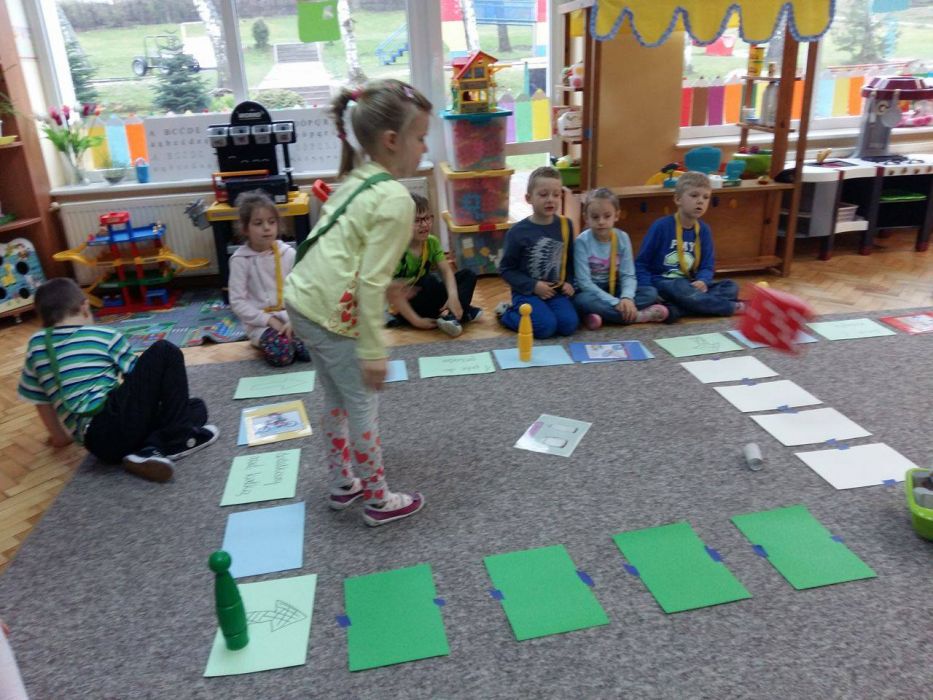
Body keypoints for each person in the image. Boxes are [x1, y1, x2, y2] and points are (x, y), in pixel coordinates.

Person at [284, 79, 431, 527]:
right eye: (420, 137)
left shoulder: (357, 179)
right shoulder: (395, 198)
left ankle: (342, 482)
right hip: (332, 313)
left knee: (335, 397)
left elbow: (342, 251)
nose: (425, 148)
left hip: (302, 300)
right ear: (391, 140)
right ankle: (378, 499)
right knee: (362, 404)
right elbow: (371, 280)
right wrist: (372, 349)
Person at [17, 278, 218, 483]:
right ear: (85, 307)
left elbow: (40, 399)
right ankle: (179, 439)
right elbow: (144, 382)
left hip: (99, 446)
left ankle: (148, 450)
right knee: (165, 351)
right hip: (112, 422)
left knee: (195, 407)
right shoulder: (104, 335)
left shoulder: (36, 345)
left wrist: (60, 437)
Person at [634, 171, 743, 320]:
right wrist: (648, 289)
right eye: (694, 195)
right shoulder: (661, 226)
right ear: (678, 199)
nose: (700, 201)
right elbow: (641, 263)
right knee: (679, 287)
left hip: (689, 284)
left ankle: (674, 310)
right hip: (663, 283)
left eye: (705, 197)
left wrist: (702, 281)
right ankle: (729, 307)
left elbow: (707, 265)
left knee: (730, 287)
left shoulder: (704, 230)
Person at [229, 190, 311, 367]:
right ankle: (282, 343)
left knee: (310, 351)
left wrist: (293, 320)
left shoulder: (288, 253)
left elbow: (302, 291)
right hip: (260, 324)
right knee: (282, 356)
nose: (266, 228)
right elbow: (237, 302)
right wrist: (269, 320)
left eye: (271, 222)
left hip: (291, 318)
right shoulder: (240, 260)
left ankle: (292, 340)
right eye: (258, 223)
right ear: (245, 229)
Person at [496, 165, 579, 338]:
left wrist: (569, 282)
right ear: (529, 198)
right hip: (526, 292)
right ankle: (506, 313)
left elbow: (571, 260)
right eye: (543, 194)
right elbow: (506, 269)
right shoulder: (517, 232)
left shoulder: (566, 225)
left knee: (569, 325)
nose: (550, 200)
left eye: (556, 195)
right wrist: (533, 286)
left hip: (555, 291)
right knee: (545, 327)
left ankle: (543, 312)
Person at [385, 193, 481, 338]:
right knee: (430, 281)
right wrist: (417, 322)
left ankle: (451, 314)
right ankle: (461, 312)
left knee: (468, 275)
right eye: (417, 220)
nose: (425, 224)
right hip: (405, 306)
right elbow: (393, 293)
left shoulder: (432, 242)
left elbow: (447, 272)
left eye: (427, 218)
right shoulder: (397, 251)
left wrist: (453, 297)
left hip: (428, 296)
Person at [573, 187, 670, 329]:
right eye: (595, 217)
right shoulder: (582, 241)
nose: (601, 222)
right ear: (586, 218)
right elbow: (584, 283)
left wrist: (626, 298)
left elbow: (628, 274)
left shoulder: (622, 238)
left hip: (614, 287)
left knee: (650, 293)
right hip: (591, 292)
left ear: (616, 215)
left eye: (607, 216)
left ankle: (602, 316)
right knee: (582, 300)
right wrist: (615, 302)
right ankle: (637, 316)